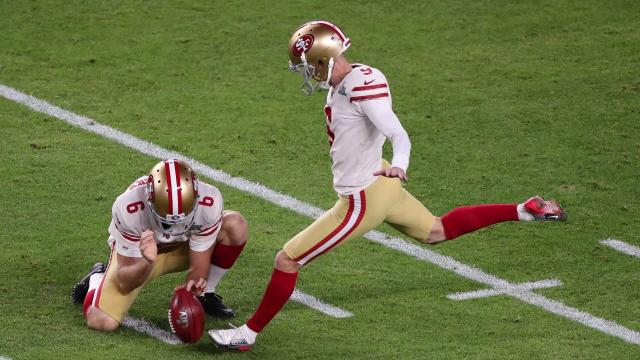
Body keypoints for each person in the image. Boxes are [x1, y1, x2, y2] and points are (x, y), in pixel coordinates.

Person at [209, 20, 566, 351]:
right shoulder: (356, 77)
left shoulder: (359, 89)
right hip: (380, 182)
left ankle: (246, 335)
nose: (306, 73)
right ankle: (525, 210)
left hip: (364, 196)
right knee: (436, 231)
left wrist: (400, 165)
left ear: (323, 61)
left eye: (308, 65)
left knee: (287, 259)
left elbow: (399, 133)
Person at [71, 159, 248, 331]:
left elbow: (199, 265)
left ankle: (206, 295)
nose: (175, 226)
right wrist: (147, 262)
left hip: (183, 247)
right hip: (140, 256)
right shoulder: (128, 207)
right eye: (166, 221)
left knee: (234, 225)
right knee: (101, 321)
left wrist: (192, 292)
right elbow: (125, 282)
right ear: (150, 200)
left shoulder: (210, 201)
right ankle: (98, 278)